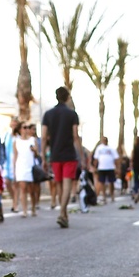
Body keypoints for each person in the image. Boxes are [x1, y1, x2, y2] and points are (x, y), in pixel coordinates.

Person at [40, 86, 82, 227]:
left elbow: (44, 137)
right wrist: (81, 155)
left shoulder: (48, 114)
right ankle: (62, 212)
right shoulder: (72, 114)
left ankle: (64, 215)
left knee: (59, 185)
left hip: (55, 155)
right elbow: (75, 136)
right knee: (67, 185)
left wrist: (43, 157)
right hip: (69, 154)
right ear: (67, 97)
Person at [12, 122, 39, 217]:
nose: (27, 129)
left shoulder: (33, 140)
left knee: (32, 190)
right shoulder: (16, 141)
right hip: (21, 167)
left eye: (28, 127)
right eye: (24, 127)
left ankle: (33, 207)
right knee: (23, 189)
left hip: (31, 166)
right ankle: (24, 210)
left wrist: (34, 151)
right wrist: (14, 170)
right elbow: (15, 156)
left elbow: (37, 155)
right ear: (20, 129)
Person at [92, 136, 118, 202]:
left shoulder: (111, 148)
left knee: (111, 182)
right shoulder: (99, 148)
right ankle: (104, 196)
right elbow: (96, 158)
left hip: (110, 167)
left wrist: (117, 167)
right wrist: (95, 167)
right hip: (101, 167)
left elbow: (116, 158)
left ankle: (112, 195)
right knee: (102, 182)